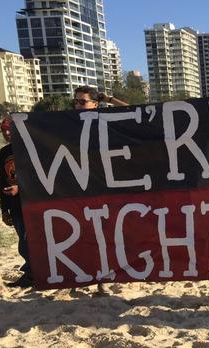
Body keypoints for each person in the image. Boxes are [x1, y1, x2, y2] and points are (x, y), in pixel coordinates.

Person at [72, 85, 127, 294]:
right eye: (75, 101)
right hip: (79, 188)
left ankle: (103, 280)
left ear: (95, 104)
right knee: (84, 234)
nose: (77, 105)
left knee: (105, 234)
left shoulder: (107, 120)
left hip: (106, 187)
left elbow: (139, 114)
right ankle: (84, 277)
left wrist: (110, 99)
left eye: (82, 101)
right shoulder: (66, 123)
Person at [0, 115, 32, 288]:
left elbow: (39, 177)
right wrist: (4, 209)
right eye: (4, 129)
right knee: (23, 239)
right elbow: (3, 182)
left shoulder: (32, 148)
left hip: (32, 202)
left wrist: (20, 189)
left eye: (10, 128)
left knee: (29, 241)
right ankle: (30, 273)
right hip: (15, 205)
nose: (7, 133)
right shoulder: (4, 152)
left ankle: (32, 273)